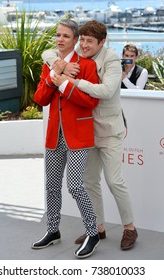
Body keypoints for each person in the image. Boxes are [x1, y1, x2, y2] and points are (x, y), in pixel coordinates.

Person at [42, 20, 138, 251]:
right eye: (82, 40)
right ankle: (98, 227)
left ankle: (130, 228)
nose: (83, 45)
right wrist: (57, 63)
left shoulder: (111, 58)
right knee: (89, 181)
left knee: (114, 180)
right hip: (86, 132)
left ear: (102, 42)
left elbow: (106, 91)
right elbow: (49, 51)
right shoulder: (76, 53)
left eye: (89, 42)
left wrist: (72, 80)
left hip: (109, 130)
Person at [31, 19, 100, 259]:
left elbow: (90, 101)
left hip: (78, 136)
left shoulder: (88, 66)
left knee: (75, 186)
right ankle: (52, 230)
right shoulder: (51, 65)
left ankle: (92, 232)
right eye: (58, 35)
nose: (60, 39)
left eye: (66, 36)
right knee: (51, 186)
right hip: (54, 136)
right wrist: (54, 76)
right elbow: (40, 99)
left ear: (76, 40)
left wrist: (64, 85)